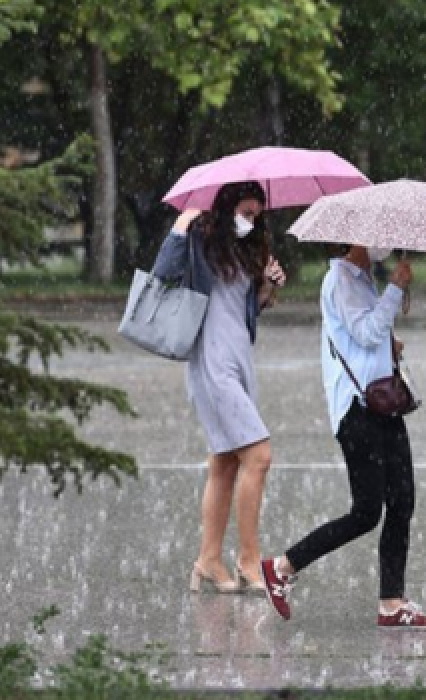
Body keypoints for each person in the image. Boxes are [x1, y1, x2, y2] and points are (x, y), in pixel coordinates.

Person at [259, 244, 426, 629]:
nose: (385, 246)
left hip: (383, 403)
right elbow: (367, 333)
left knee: (402, 500)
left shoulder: (363, 279)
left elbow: (364, 340)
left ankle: (392, 603)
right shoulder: (340, 280)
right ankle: (283, 566)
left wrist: (391, 344)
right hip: (358, 412)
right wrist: (395, 289)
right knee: (366, 512)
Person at [152, 181, 287, 595]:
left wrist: (268, 286)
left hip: (240, 358)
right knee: (259, 456)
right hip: (211, 360)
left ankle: (208, 560)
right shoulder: (200, 242)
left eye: (256, 215)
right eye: (245, 213)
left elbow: (245, 311)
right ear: (227, 209)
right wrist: (180, 227)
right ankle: (249, 559)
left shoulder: (249, 251)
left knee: (226, 462)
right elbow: (162, 274)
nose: (251, 221)